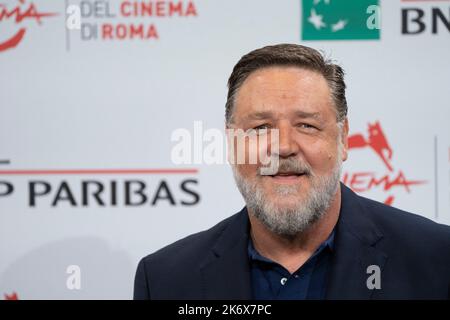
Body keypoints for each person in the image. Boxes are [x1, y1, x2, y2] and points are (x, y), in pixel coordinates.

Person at [133, 44, 450, 299]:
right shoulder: (166, 280)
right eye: (260, 128)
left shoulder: (437, 260)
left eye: (307, 125)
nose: (283, 146)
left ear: (342, 139)